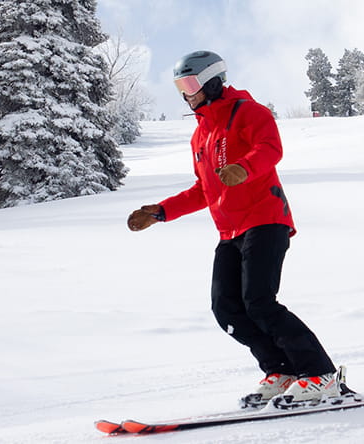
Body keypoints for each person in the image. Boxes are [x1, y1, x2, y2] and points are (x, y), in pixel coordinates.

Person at [126, 50, 339, 410]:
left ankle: (320, 374)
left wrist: (244, 167)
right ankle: (281, 370)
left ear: (212, 81)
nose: (185, 93)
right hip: (230, 231)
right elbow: (203, 191)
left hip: (265, 219)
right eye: (180, 86)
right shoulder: (201, 137)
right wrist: (161, 212)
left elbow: (270, 149)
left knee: (260, 302)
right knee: (226, 308)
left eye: (190, 84)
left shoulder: (249, 111)